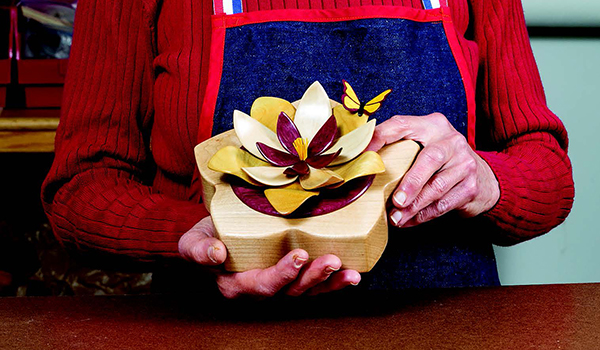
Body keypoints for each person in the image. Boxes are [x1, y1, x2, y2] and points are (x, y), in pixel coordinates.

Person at [41, 0, 574, 298]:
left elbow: (547, 170)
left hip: (454, 329)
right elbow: (80, 186)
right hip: (213, 335)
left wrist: (484, 179)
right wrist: (197, 238)